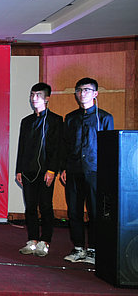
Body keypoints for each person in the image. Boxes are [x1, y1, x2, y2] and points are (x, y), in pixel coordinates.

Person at [60, 77, 113, 265]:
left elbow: (108, 148)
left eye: (87, 90)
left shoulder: (104, 117)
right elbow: (65, 145)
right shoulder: (71, 118)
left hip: (94, 171)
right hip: (73, 169)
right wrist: (63, 168)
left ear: (95, 94)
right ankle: (78, 247)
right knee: (74, 211)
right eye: (79, 90)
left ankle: (94, 249)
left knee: (95, 211)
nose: (82, 93)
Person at [15, 83, 64, 257]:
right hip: (28, 170)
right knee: (30, 206)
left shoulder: (55, 120)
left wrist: (52, 170)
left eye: (38, 95)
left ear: (47, 98)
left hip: (46, 171)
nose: (34, 98)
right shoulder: (26, 121)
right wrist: (19, 169)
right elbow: (21, 147)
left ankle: (45, 241)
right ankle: (33, 240)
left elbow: (57, 148)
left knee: (45, 206)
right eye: (32, 94)